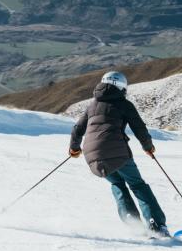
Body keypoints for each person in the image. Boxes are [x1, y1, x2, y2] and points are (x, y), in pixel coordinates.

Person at [68, 71, 169, 238]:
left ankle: (132, 222)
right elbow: (139, 128)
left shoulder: (92, 105)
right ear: (122, 88)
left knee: (117, 184)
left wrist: (74, 149)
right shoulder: (124, 104)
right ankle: (156, 224)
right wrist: (148, 147)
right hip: (118, 153)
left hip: (93, 156)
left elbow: (77, 130)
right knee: (137, 185)